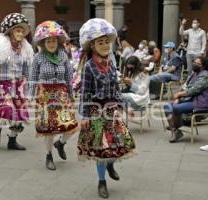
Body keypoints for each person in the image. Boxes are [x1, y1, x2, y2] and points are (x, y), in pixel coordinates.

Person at [77, 18, 136, 199]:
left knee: (118, 143)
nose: (104, 45)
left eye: (106, 42)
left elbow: (116, 90)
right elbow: (85, 92)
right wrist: (85, 115)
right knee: (101, 149)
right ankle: (101, 182)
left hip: (112, 111)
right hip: (96, 112)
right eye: (100, 42)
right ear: (93, 46)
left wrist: (124, 106)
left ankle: (111, 164)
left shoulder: (111, 64)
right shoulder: (88, 67)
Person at [0, 13, 34, 150]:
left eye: (22, 31)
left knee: (20, 113)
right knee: (7, 109)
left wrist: (29, 85)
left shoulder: (25, 48)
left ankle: (12, 140)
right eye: (17, 30)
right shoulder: (1, 47)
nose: (20, 34)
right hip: (3, 83)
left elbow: (27, 69)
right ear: (10, 31)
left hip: (19, 84)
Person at [29, 21, 78, 170]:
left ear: (58, 41)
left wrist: (71, 94)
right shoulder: (38, 57)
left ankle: (60, 143)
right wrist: (31, 96)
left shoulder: (63, 56)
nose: (51, 43)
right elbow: (33, 77)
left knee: (70, 125)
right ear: (43, 43)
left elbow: (70, 76)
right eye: (48, 41)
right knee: (48, 128)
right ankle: (49, 155)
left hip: (62, 94)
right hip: (45, 95)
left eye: (54, 40)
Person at [164, 57, 208, 143]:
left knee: (176, 108)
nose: (194, 64)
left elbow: (194, 90)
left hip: (200, 102)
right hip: (189, 99)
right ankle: (175, 130)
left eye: (197, 64)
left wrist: (179, 95)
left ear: (203, 66)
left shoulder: (205, 75)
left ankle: (174, 127)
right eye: (194, 62)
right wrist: (178, 97)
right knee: (167, 106)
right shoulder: (193, 74)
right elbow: (184, 87)